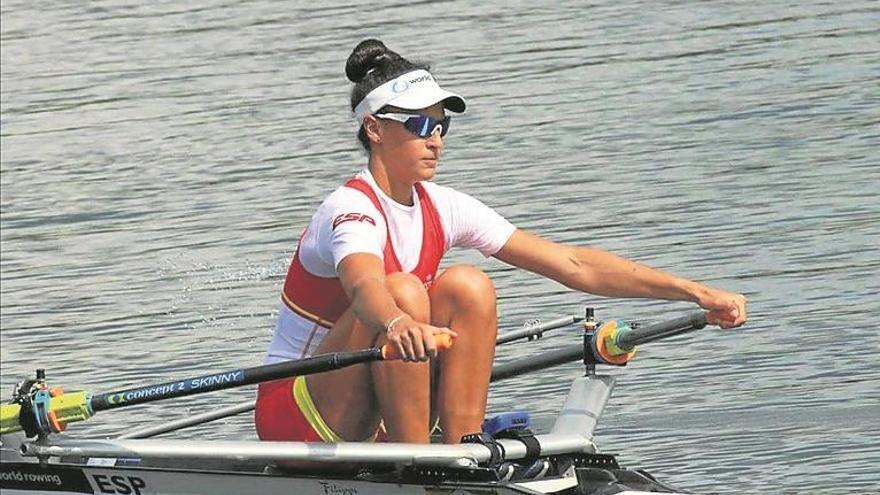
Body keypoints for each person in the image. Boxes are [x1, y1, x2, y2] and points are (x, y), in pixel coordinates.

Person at [254, 39, 747, 446]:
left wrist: (695, 292)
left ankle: (462, 453)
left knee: (470, 285)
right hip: (295, 415)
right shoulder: (350, 210)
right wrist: (400, 321)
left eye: (442, 125)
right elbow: (365, 288)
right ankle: (415, 468)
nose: (437, 140)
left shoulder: (443, 206)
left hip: (380, 400)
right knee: (402, 289)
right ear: (374, 129)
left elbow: (573, 265)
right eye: (420, 125)